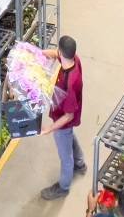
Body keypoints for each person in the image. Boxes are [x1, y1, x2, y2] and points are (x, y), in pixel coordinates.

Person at [40, 35, 86, 201]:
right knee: (70, 137)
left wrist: (50, 128)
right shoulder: (74, 59)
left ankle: (64, 187)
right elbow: (54, 54)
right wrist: (37, 54)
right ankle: (80, 164)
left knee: (65, 156)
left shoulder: (70, 83)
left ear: (61, 51)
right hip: (67, 116)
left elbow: (68, 116)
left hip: (63, 120)